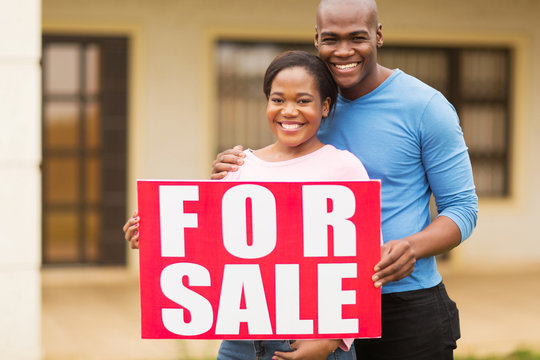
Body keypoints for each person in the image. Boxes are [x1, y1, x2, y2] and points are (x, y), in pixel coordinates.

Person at [211, 0, 479, 359]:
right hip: (315, 302)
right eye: (331, 39)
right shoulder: (303, 105)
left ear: (378, 36)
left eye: (357, 38)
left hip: (401, 304)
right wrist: (233, 172)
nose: (343, 51)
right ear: (316, 39)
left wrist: (411, 247)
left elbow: (462, 209)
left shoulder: (425, 107)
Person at [124, 50, 372, 360]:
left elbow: (364, 262)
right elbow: (216, 248)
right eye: (278, 99)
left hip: (315, 342)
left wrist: (333, 340)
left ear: (324, 106)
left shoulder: (343, 168)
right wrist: (159, 241)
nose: (289, 111)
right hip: (240, 343)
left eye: (303, 100)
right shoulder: (239, 167)